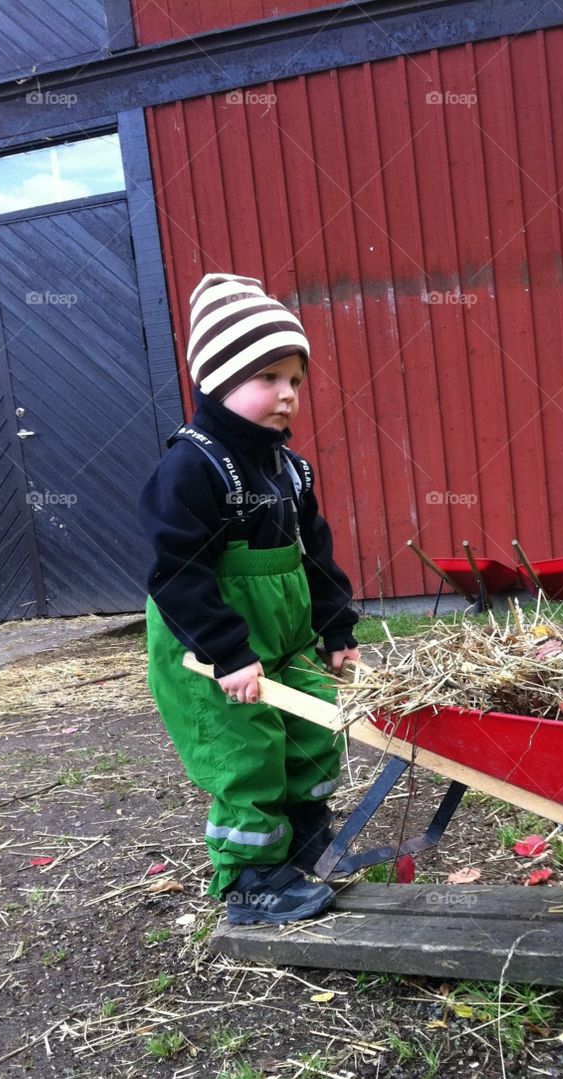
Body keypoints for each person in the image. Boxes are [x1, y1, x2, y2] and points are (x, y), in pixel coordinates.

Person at [139, 272, 360, 925]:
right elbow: (177, 571)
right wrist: (227, 652)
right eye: (268, 377)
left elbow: (312, 556)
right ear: (217, 379)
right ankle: (252, 880)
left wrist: (336, 627)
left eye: (295, 380)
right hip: (212, 659)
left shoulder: (290, 469)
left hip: (285, 650)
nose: (287, 394)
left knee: (315, 736)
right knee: (245, 756)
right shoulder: (193, 465)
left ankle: (302, 846)